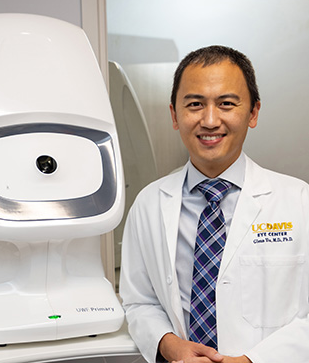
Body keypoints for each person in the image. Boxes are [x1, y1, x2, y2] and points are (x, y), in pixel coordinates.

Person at [119, 45, 309, 363]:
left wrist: (252, 361)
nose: (210, 120)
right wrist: (169, 344)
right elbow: (139, 301)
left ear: (253, 113)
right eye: (195, 104)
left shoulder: (299, 201)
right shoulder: (149, 204)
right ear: (174, 115)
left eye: (226, 104)